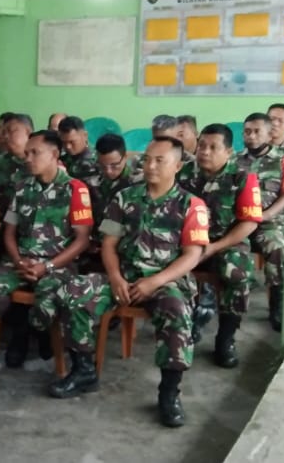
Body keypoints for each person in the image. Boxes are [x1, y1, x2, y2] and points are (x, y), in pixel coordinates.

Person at [45, 137, 209, 428]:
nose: (150, 166)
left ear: (178, 166)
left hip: (166, 280)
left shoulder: (191, 206)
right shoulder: (124, 198)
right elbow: (109, 244)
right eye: (147, 159)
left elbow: (192, 255)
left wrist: (154, 281)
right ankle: (84, 371)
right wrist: (115, 277)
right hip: (124, 276)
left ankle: (169, 393)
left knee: (177, 313)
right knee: (72, 292)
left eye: (159, 160)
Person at [0, 130, 94, 368]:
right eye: (26, 153)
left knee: (47, 303)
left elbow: (82, 240)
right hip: (21, 261)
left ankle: (27, 333)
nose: (28, 158)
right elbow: (9, 232)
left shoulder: (75, 189)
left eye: (35, 153)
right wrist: (18, 260)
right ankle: (21, 327)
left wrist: (47, 266)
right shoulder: (22, 188)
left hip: (58, 264)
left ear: (54, 154)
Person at [179, 124, 262, 369]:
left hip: (226, 242)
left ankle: (226, 337)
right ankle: (183, 326)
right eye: (202, 146)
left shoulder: (242, 178)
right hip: (185, 241)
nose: (205, 152)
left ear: (228, 152)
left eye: (213, 147)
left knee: (237, 273)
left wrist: (215, 247)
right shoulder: (182, 173)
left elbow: (249, 223)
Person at [235, 113, 284, 332]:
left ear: (269, 134)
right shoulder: (234, 160)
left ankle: (277, 304)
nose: (251, 136)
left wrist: (265, 216)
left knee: (277, 248)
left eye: (257, 131)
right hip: (238, 222)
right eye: (247, 131)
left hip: (268, 223)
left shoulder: (283, 161)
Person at [0, 113, 33, 221]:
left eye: (11, 131)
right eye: (4, 132)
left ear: (28, 132)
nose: (6, 136)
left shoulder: (41, 164)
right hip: (0, 224)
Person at [57, 116, 100, 185]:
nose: (68, 146)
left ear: (85, 136)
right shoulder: (63, 157)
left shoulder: (95, 161)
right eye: (64, 142)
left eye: (72, 142)